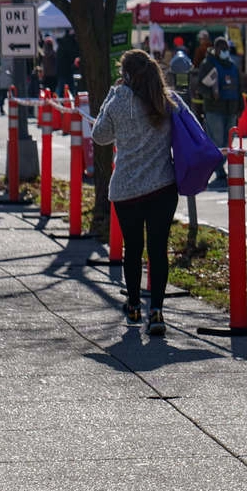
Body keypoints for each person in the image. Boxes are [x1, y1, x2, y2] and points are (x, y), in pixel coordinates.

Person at [91, 49, 185, 336]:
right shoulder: (167, 100)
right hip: (162, 186)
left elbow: (99, 136)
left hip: (127, 189)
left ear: (127, 75)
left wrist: (110, 95)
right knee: (158, 249)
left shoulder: (119, 101)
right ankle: (156, 311)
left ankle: (133, 305)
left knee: (133, 249)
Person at [194, 36, 243, 188]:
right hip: (215, 109)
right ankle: (219, 171)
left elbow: (239, 87)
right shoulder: (207, 64)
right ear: (215, 49)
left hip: (231, 109)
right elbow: (200, 87)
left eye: (226, 48)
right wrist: (211, 94)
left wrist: (240, 107)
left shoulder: (232, 65)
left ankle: (218, 168)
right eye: (221, 48)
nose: (224, 51)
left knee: (227, 143)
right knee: (217, 142)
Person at [55, 30, 79, 96]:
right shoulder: (70, 44)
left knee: (61, 88)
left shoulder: (62, 44)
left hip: (62, 70)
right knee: (68, 88)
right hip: (67, 70)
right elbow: (73, 54)